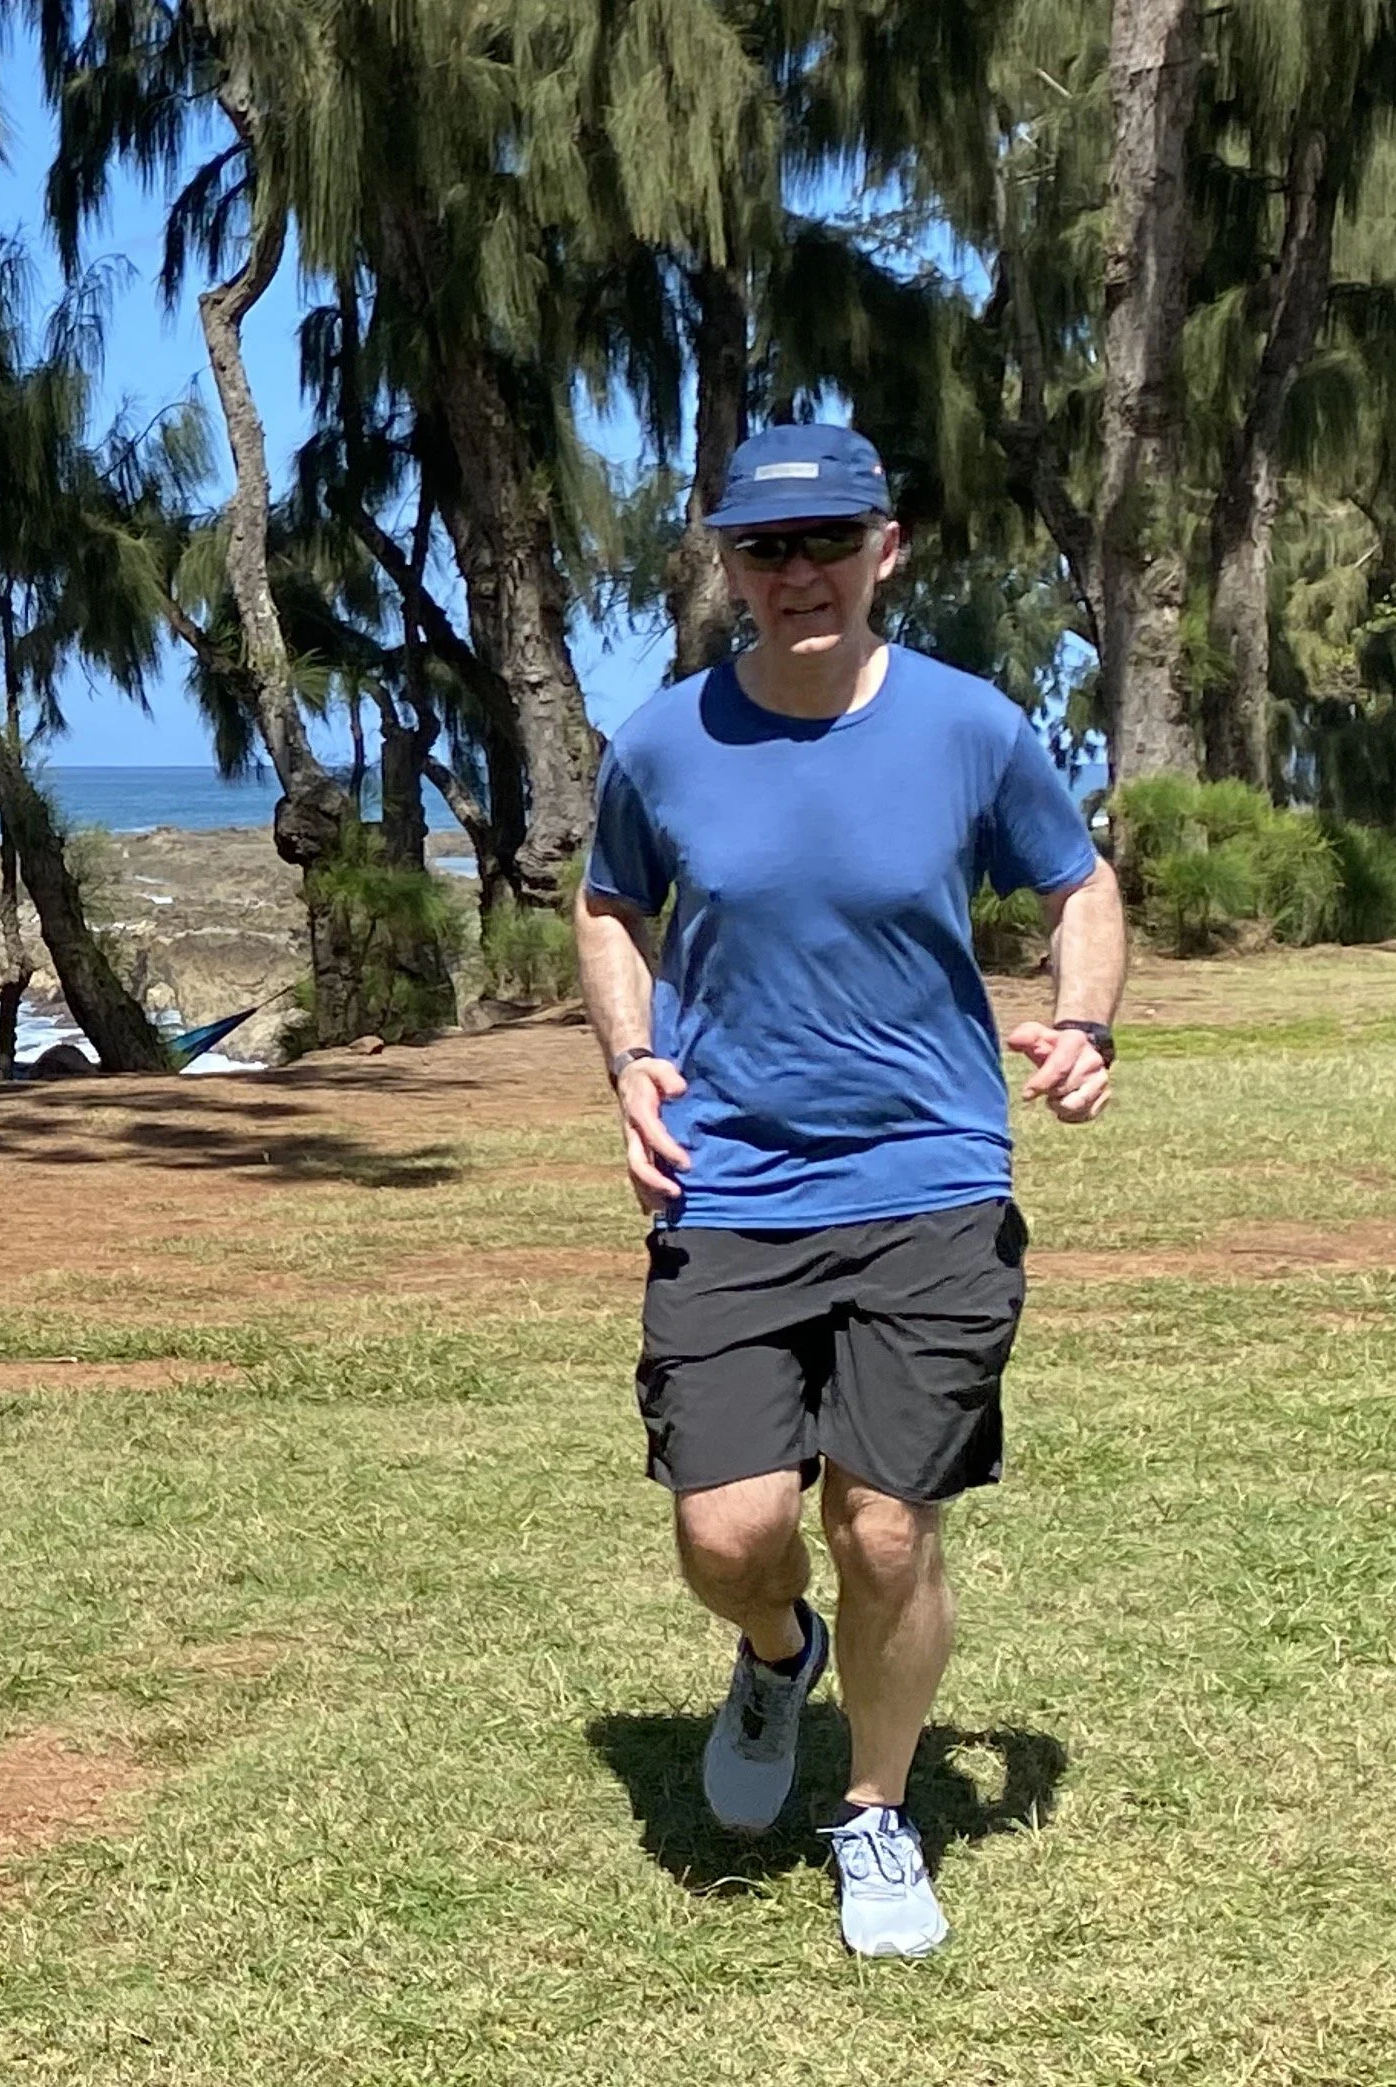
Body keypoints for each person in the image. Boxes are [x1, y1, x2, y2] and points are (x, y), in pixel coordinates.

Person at [573, 423, 1126, 1959]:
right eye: (764, 548)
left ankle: (876, 1809)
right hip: (733, 1182)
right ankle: (775, 1648)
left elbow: (1078, 880)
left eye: (827, 543)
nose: (797, 573)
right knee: (728, 1529)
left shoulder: (967, 726)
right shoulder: (666, 740)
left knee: (887, 1522)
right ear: (728, 564)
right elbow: (611, 901)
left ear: (890, 548)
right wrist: (631, 1062)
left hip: (930, 1175)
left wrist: (1080, 1023)